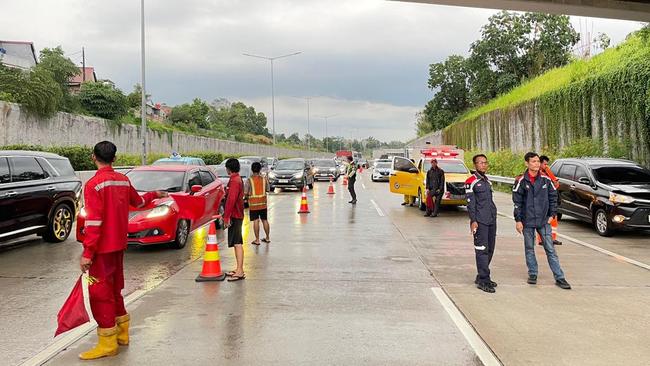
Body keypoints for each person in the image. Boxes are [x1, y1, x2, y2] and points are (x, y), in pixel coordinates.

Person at [79, 141, 166, 360]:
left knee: (100, 294)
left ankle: (107, 342)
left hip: (101, 250)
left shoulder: (93, 185)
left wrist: (88, 253)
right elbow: (138, 202)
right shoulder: (123, 181)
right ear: (114, 159)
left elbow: (93, 223)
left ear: (93, 157)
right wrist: (154, 193)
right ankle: (122, 333)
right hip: (119, 246)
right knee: (115, 289)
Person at [513, 152, 571, 290]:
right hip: (527, 221)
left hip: (544, 221)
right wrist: (518, 220)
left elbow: (553, 197)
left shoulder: (546, 179)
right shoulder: (521, 180)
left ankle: (560, 277)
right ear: (527, 163)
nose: (537, 164)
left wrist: (552, 214)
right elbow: (517, 202)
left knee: (550, 249)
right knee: (529, 248)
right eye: (533, 161)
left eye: (538, 161)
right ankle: (533, 273)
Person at [465, 154, 498, 293]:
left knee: (490, 249)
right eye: (480, 163)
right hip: (480, 222)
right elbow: (470, 204)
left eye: (485, 163)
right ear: (475, 165)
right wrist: (473, 221)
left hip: (491, 220)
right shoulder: (471, 181)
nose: (483, 165)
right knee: (481, 250)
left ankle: (482, 275)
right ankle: (484, 280)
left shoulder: (487, 181)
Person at [223, 158, 246, 281]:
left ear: (228, 168)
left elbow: (231, 200)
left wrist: (226, 217)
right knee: (237, 243)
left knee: (237, 243)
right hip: (236, 214)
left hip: (235, 216)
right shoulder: (236, 179)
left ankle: (240, 270)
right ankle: (238, 269)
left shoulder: (235, 181)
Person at [538, 155, 562, 246]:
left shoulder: (547, 172)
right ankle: (541, 239)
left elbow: (555, 185)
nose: (546, 166)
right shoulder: (539, 174)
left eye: (547, 164)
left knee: (553, 221)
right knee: (543, 221)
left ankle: (552, 238)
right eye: (544, 164)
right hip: (543, 201)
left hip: (551, 200)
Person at [246, 162, 270, 245]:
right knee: (265, 220)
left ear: (252, 170)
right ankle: (267, 238)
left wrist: (246, 197)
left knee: (256, 221)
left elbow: (246, 192)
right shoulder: (264, 179)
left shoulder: (249, 180)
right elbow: (268, 189)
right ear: (260, 169)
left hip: (253, 205)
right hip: (263, 204)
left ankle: (257, 240)